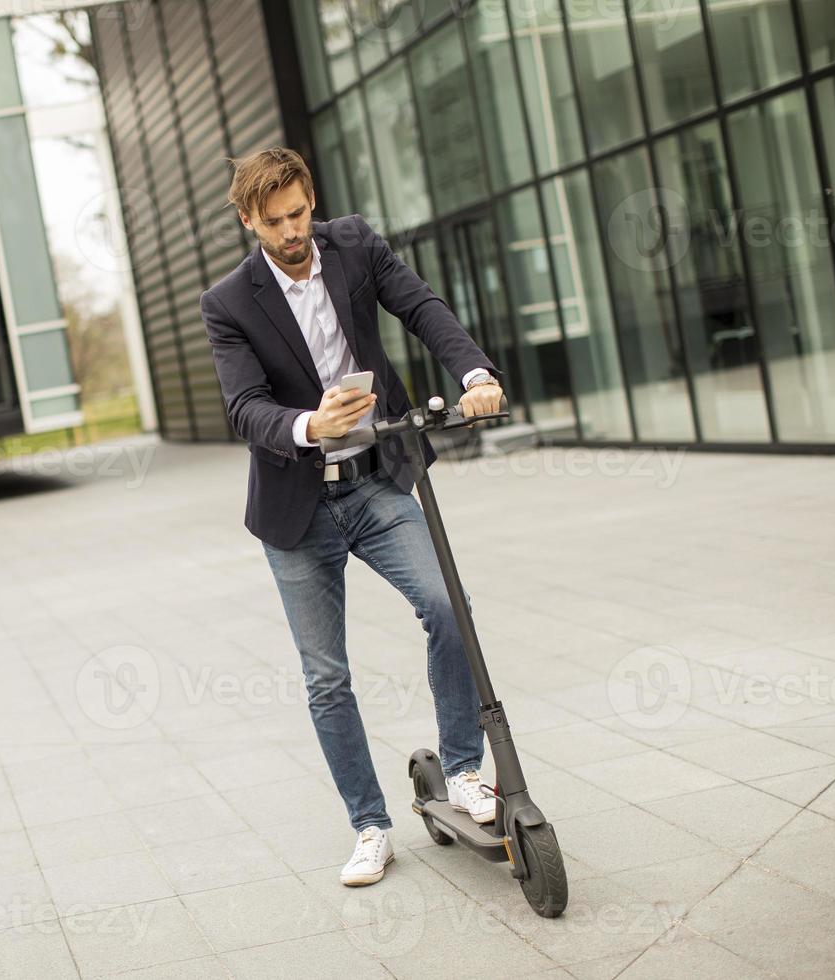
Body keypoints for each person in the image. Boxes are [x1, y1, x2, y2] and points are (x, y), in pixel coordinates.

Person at [200, 147, 507, 887]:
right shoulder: (230, 303)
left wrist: (474, 372)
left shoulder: (356, 243)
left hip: (375, 481)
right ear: (249, 221)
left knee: (447, 604)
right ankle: (370, 825)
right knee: (326, 678)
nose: (292, 232)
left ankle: (464, 770)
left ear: (312, 201)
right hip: (296, 506)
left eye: (299, 213)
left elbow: (423, 308)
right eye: (273, 223)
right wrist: (312, 422)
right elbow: (245, 409)